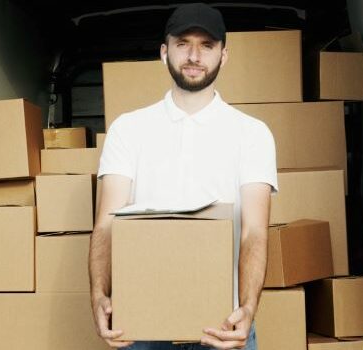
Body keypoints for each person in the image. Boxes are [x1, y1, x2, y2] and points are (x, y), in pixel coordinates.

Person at [89, 3, 278, 349]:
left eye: (207, 45)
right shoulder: (128, 130)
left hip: (223, 325)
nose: (194, 55)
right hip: (142, 327)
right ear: (164, 52)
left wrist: (249, 307)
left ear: (224, 55)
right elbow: (106, 223)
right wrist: (99, 295)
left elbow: (254, 230)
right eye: (183, 43)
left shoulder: (252, 134)